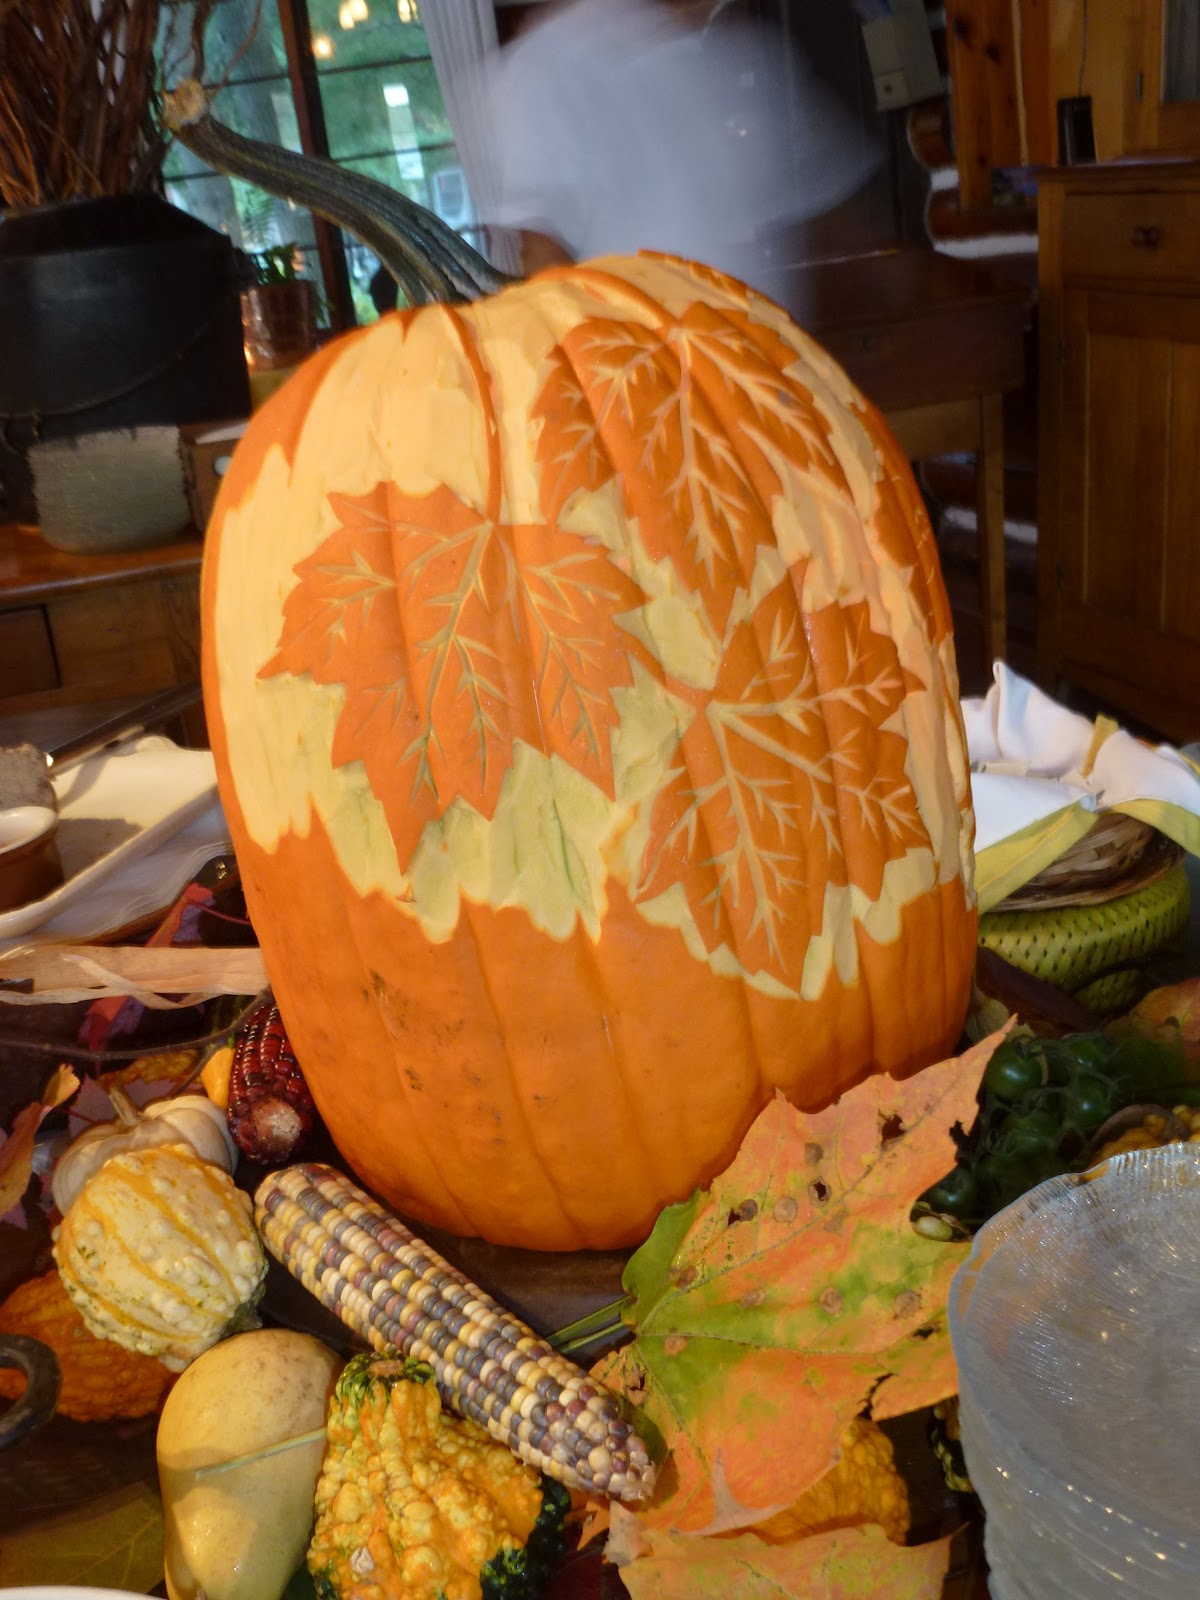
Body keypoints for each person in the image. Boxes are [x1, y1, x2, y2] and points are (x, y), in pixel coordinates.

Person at [478, 0, 880, 289]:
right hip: (645, 371)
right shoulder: (552, 63)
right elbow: (544, 258)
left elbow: (837, 210)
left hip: (766, 361)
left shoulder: (751, 53)